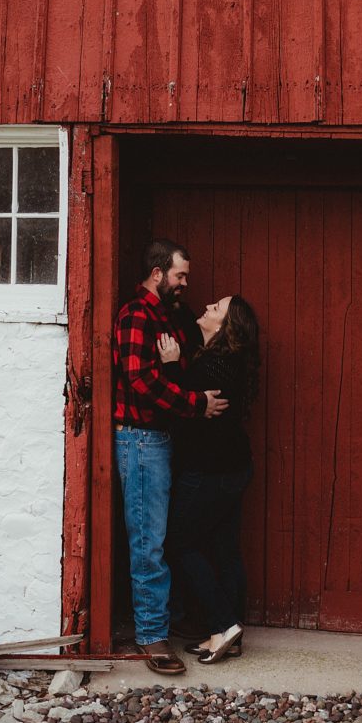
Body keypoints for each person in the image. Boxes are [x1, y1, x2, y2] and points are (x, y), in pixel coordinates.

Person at [112, 239, 229, 675]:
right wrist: (197, 403)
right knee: (148, 542)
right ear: (158, 272)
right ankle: (151, 636)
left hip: (161, 439)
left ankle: (166, 621)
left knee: (159, 536)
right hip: (141, 441)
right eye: (180, 276)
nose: (185, 284)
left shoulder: (167, 316)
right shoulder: (135, 315)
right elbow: (141, 382)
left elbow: (178, 368)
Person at [160, 294, 260, 665]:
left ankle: (224, 623)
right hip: (232, 469)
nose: (207, 307)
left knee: (178, 544)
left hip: (210, 472)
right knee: (224, 548)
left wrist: (170, 366)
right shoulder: (223, 361)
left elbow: (182, 403)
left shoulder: (214, 366)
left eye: (216, 308)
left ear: (224, 327)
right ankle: (226, 635)